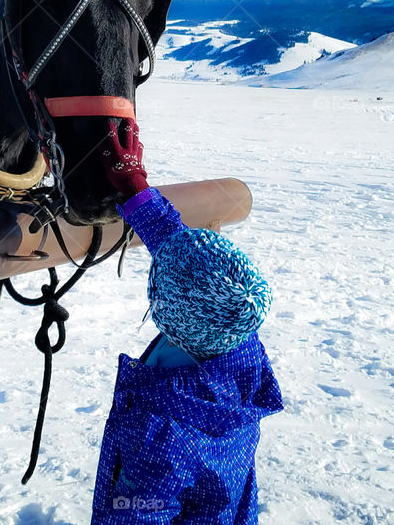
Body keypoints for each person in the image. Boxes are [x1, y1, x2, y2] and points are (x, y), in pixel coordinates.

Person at [90, 119, 284, 524]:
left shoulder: (162, 436)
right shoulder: (237, 335)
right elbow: (181, 254)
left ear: (166, 310)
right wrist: (133, 184)